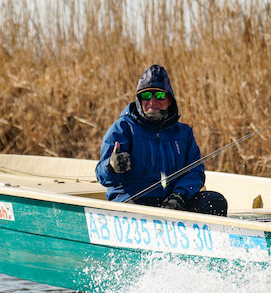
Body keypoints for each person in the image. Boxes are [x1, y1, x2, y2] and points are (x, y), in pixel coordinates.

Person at [96, 64, 228, 216]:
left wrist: (179, 196)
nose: (152, 102)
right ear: (139, 100)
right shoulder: (122, 128)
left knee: (214, 201)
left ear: (170, 100)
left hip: (170, 204)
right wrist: (111, 167)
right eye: (146, 96)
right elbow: (102, 176)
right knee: (132, 211)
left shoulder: (184, 133)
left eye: (159, 96)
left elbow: (195, 172)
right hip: (132, 202)